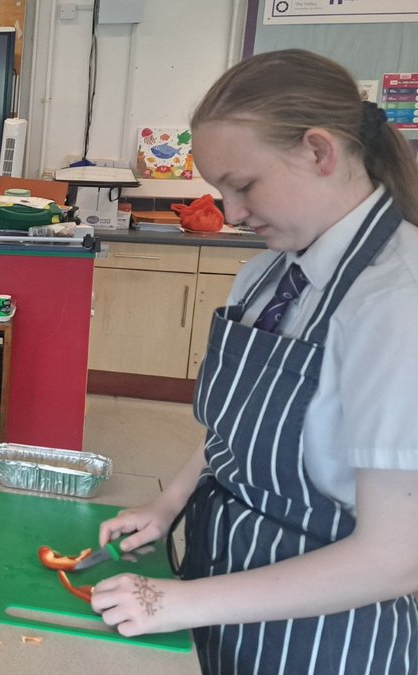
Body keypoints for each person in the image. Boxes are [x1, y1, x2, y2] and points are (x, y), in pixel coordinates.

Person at [91, 49, 418, 673]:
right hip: (220, 584)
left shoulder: (398, 302)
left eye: (243, 186)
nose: (232, 213)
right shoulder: (268, 273)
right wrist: (168, 505)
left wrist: (176, 602)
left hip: (322, 637)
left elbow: (398, 558)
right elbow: (238, 425)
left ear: (319, 152)